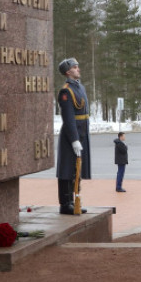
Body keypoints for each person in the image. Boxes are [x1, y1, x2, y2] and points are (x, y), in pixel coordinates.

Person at [56, 58, 90, 215]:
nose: (78, 69)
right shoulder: (66, 91)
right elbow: (69, 117)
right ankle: (66, 203)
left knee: (76, 169)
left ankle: (73, 200)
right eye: (75, 67)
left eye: (78, 66)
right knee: (67, 169)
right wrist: (74, 139)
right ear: (68, 72)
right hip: (71, 135)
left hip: (81, 132)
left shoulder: (80, 87)